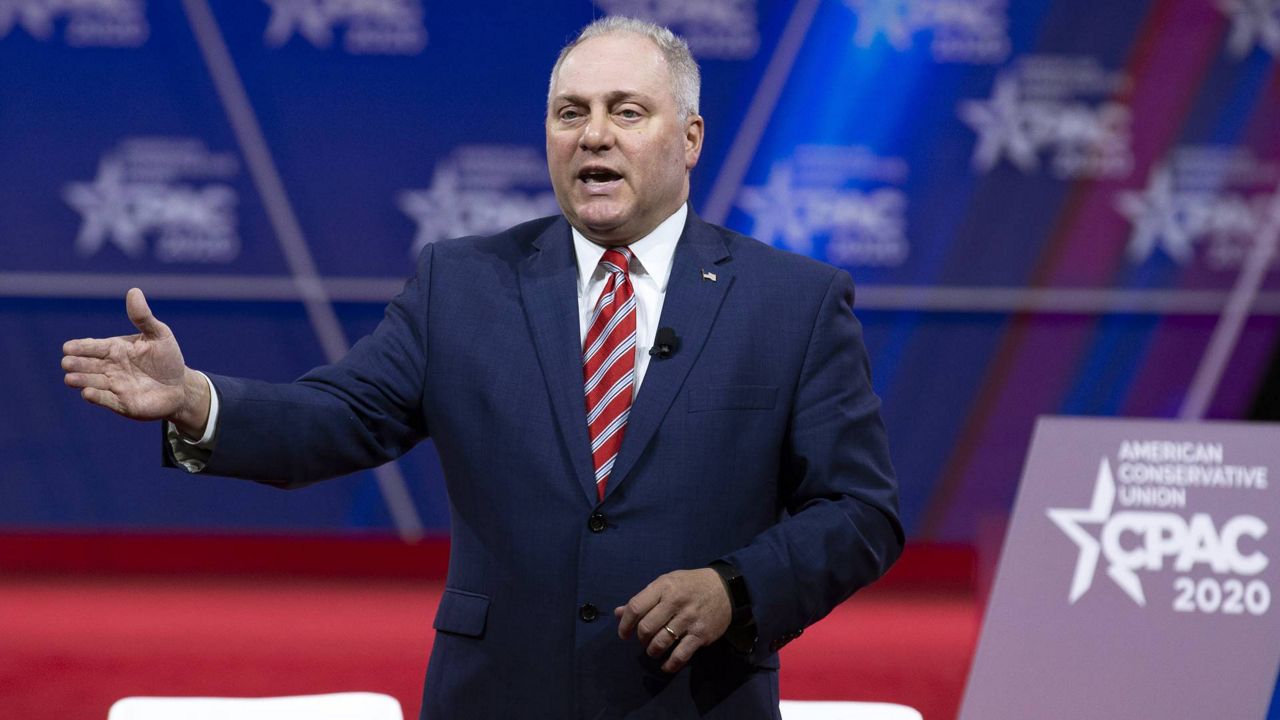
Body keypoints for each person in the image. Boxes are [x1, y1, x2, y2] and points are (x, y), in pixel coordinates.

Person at [61, 17, 902, 720]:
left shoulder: (792, 301)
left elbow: (860, 512)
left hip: (690, 699)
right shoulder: (460, 282)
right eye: (570, 113)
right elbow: (338, 417)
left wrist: (735, 588)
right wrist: (194, 400)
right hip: (496, 697)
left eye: (625, 111)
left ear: (688, 140)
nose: (593, 134)